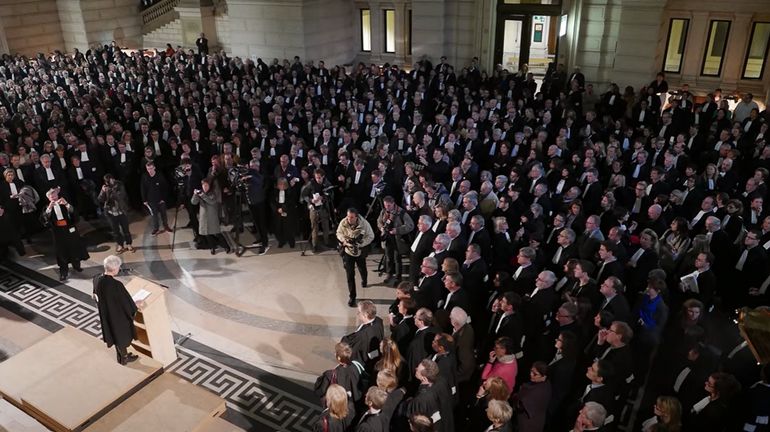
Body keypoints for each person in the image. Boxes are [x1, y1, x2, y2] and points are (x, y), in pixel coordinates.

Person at [92, 255, 140, 365]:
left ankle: (122, 355)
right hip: (117, 316)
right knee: (120, 335)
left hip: (106, 313)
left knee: (113, 334)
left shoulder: (96, 278)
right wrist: (135, 305)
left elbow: (94, 295)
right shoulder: (116, 285)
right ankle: (124, 358)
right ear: (115, 269)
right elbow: (126, 304)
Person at [44, 187, 89, 281]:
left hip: (69, 228)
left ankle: (76, 265)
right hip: (58, 232)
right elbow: (44, 220)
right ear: (49, 198)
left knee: (74, 247)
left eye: (54, 195)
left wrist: (67, 204)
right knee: (61, 251)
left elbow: (74, 214)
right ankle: (63, 271)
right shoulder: (47, 207)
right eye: (51, 196)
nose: (53, 197)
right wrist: (49, 208)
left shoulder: (64, 203)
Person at [336, 208, 375, 307]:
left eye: (352, 217)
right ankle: (352, 297)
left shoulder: (364, 224)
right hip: (348, 251)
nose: (349, 219)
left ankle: (364, 280)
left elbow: (371, 236)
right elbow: (338, 233)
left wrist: (361, 243)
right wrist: (344, 240)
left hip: (360, 251)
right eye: (348, 216)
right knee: (350, 275)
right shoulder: (343, 222)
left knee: (362, 268)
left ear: (356, 217)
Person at [191, 177, 231, 254]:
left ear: (209, 186)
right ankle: (212, 247)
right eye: (203, 185)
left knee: (217, 233)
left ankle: (226, 246)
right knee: (207, 234)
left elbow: (211, 202)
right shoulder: (201, 193)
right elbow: (193, 202)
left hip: (212, 217)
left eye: (206, 185)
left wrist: (202, 195)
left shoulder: (213, 193)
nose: (205, 187)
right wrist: (195, 195)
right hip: (204, 217)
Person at [98, 174, 135, 253]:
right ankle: (120, 245)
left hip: (121, 211)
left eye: (110, 180)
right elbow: (100, 199)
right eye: (106, 181)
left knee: (126, 230)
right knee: (116, 231)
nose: (109, 182)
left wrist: (110, 191)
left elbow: (119, 196)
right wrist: (103, 191)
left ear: (113, 179)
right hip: (111, 213)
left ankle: (129, 244)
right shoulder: (106, 187)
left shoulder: (120, 185)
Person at [140, 162, 171, 236]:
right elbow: (143, 188)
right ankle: (156, 228)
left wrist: (163, 198)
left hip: (161, 199)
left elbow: (165, 187)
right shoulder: (144, 176)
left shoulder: (159, 175)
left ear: (154, 168)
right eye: (148, 169)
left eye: (151, 168)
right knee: (154, 215)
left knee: (164, 214)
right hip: (151, 200)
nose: (149, 170)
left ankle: (166, 226)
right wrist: (144, 200)